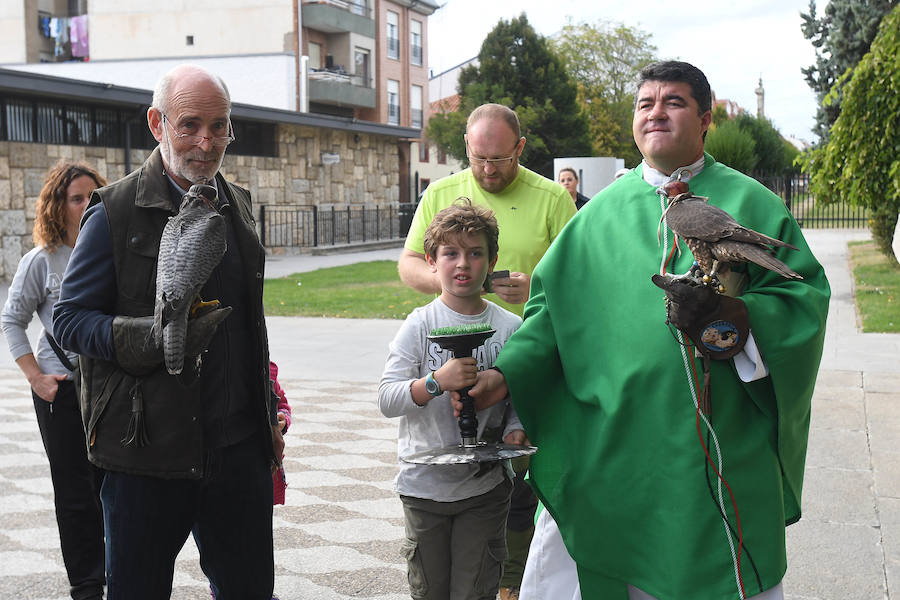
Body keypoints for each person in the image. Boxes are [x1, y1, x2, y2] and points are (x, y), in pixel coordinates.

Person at [466, 61, 831, 599]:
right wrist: (503, 374)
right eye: (645, 103)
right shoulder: (595, 217)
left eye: (674, 102)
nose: (656, 112)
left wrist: (734, 317)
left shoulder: (751, 202)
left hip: (715, 448)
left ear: (706, 119)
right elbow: (551, 314)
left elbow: (802, 302)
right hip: (610, 450)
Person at [52, 64, 282, 600]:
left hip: (237, 451)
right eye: (190, 124)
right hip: (145, 455)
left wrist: (266, 414)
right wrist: (152, 339)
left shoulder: (239, 205)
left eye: (219, 126)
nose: (207, 141)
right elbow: (69, 321)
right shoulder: (114, 210)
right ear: (156, 123)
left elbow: (251, 327)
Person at [398, 103, 574, 599]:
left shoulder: (552, 198)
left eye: (500, 159)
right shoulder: (441, 193)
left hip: (524, 345)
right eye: (478, 159)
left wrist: (535, 288)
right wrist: (456, 281)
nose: (489, 170)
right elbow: (409, 264)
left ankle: (510, 581)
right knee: (458, 449)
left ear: (520, 148)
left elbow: (578, 279)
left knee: (514, 477)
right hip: (449, 344)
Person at [379, 200, 527, 600]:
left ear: (492, 260)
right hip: (423, 487)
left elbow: (520, 396)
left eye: (475, 253)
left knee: (476, 589)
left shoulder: (509, 328)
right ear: (431, 260)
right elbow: (388, 399)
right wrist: (435, 382)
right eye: (451, 253)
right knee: (430, 591)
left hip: (485, 490)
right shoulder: (420, 326)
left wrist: (514, 430)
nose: (463, 263)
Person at [1, 161, 107, 600]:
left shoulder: (109, 249)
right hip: (60, 389)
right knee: (74, 490)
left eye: (91, 196)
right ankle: (86, 584)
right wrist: (36, 378)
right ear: (57, 206)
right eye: (75, 198)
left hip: (109, 387)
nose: (85, 205)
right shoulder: (41, 260)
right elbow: (12, 320)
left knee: (113, 485)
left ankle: (120, 572)